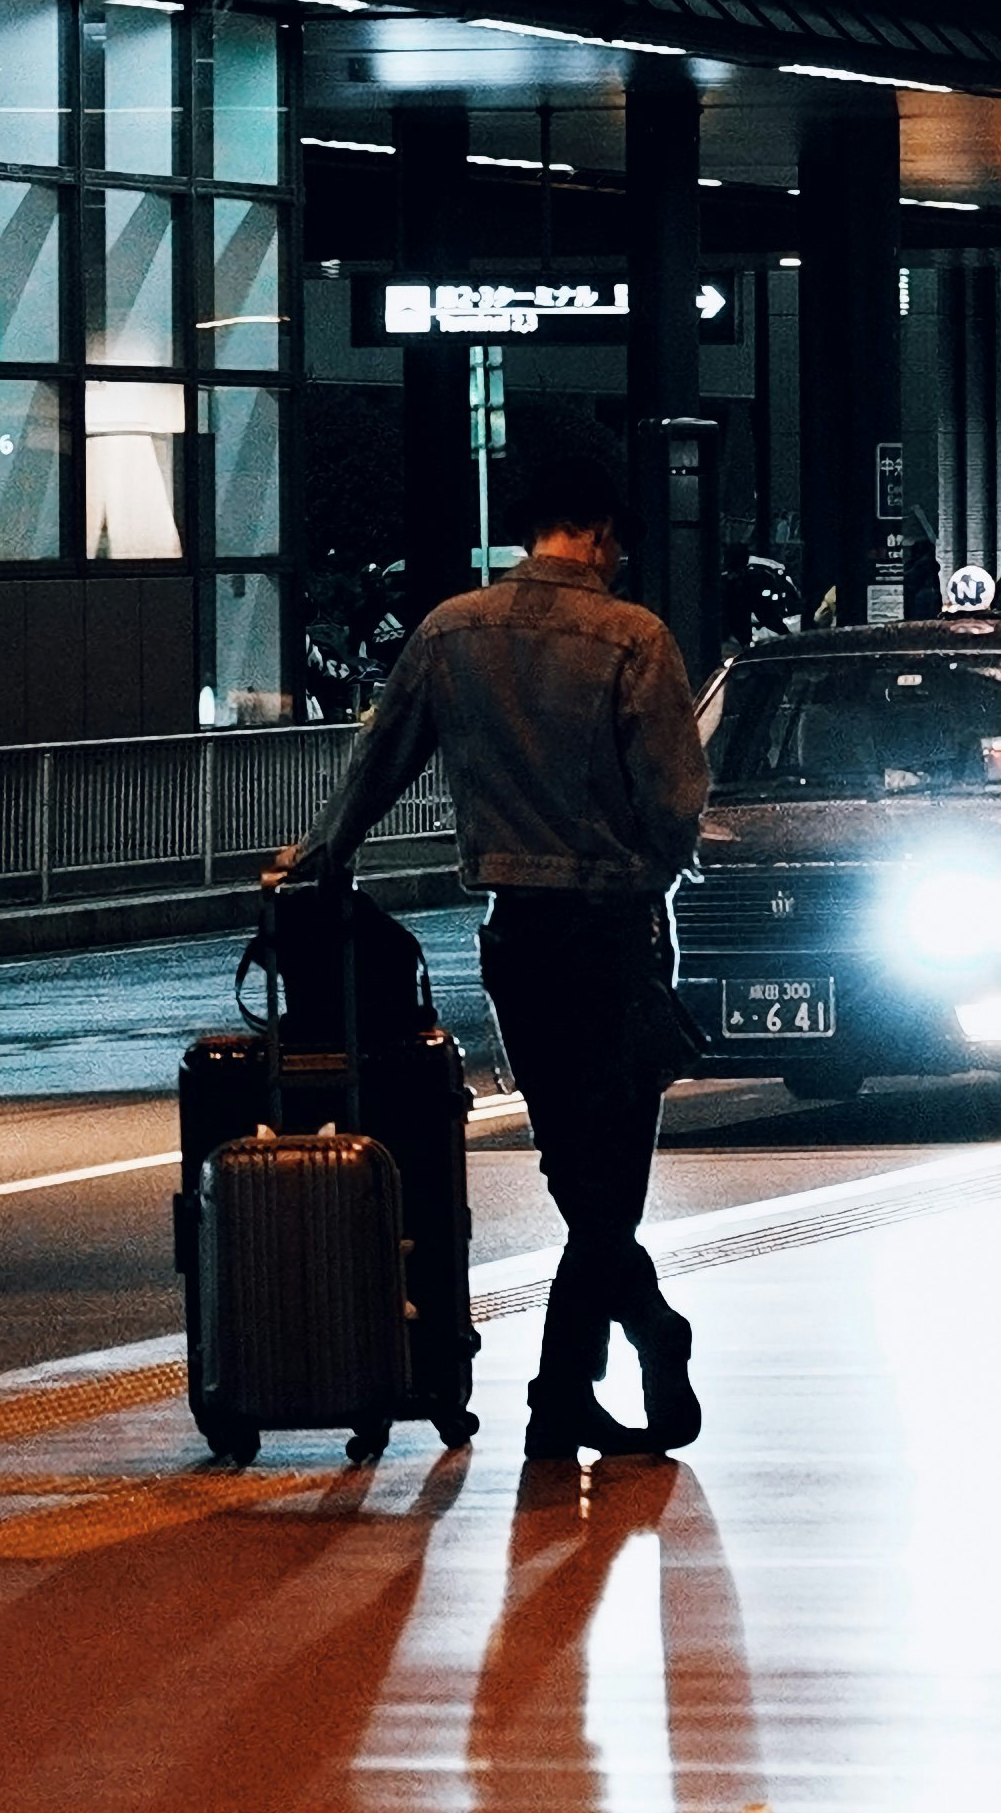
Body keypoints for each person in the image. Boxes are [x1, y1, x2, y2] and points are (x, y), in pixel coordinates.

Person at [273, 418, 710, 1466]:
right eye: (617, 540)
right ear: (596, 531)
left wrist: (323, 857)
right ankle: (628, 1346)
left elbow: (376, 764)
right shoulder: (635, 639)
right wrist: (654, 869)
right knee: (610, 1171)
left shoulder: (449, 633)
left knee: (570, 1161)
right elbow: (677, 803)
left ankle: (577, 1386)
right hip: (615, 931)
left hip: (515, 937)